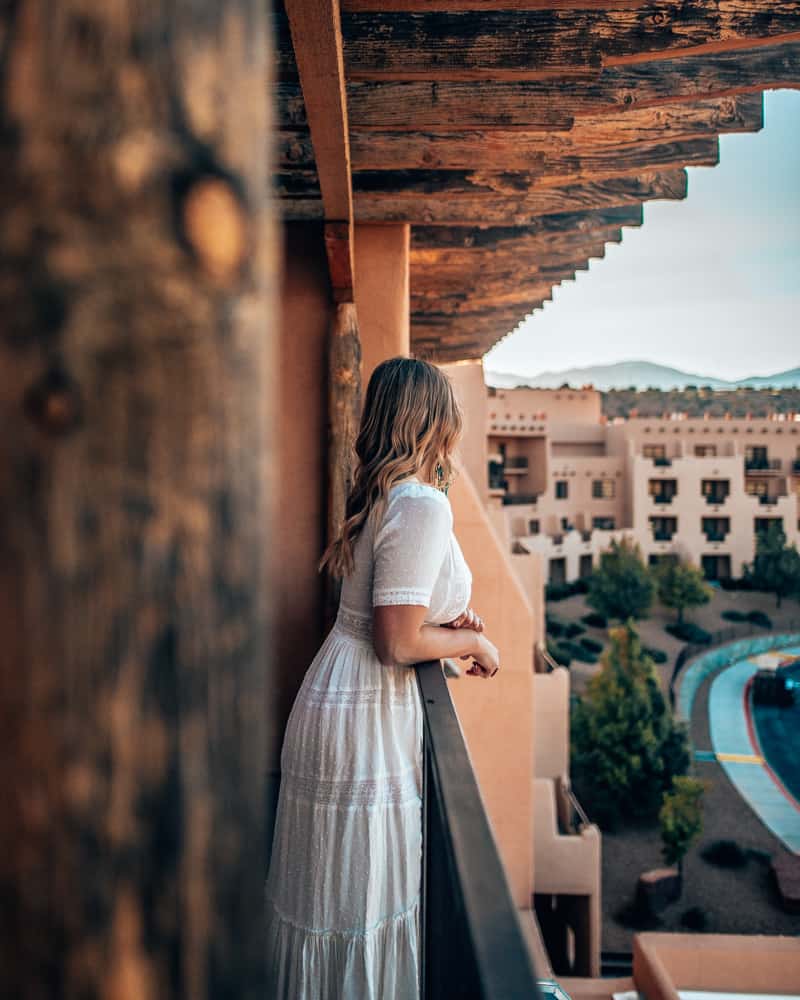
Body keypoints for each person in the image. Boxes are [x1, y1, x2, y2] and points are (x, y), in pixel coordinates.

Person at [265, 357, 500, 999]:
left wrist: (448, 622)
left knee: (333, 904)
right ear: (435, 420)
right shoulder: (421, 504)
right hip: (365, 708)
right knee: (355, 904)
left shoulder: (390, 494)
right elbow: (396, 642)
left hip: (342, 696)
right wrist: (473, 641)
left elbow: (397, 606)